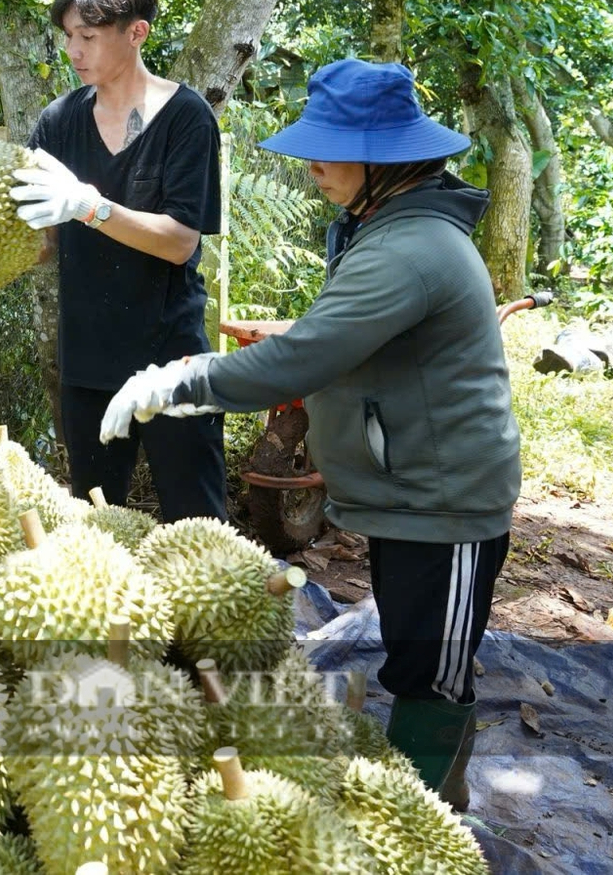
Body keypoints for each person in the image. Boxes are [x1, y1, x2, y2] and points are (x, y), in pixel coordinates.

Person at [101, 58, 521, 810]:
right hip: (411, 492)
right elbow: (333, 342)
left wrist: (180, 384)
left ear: (384, 158)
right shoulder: (382, 226)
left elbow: (305, 356)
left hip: (448, 498)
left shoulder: (409, 249)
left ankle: (427, 826)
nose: (312, 167)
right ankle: (412, 809)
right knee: (412, 656)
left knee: (433, 674)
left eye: (328, 149)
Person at [0, 0, 225, 522]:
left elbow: (178, 243)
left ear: (136, 32)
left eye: (89, 37)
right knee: (95, 520)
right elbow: (43, 242)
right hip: (88, 357)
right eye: (69, 36)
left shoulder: (186, 119)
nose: (75, 50)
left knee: (199, 519)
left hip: (169, 357)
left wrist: (91, 206)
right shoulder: (58, 123)